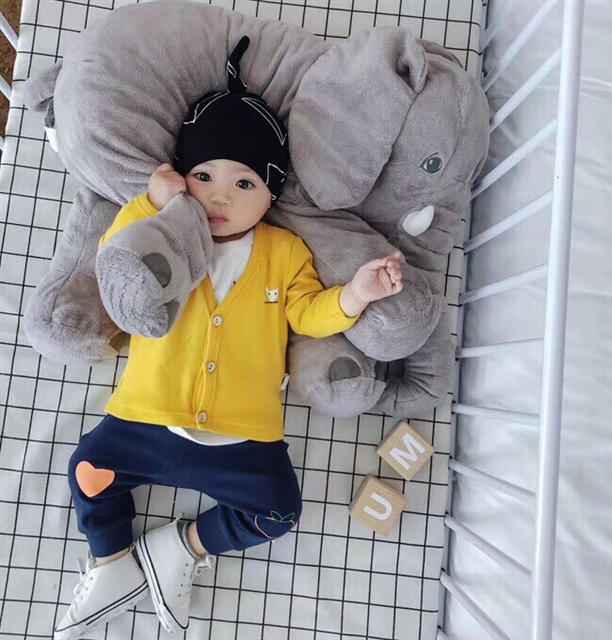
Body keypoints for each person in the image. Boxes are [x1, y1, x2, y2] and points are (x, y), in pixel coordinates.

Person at [54, 37, 403, 640]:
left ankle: (180, 547)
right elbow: (118, 260)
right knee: (87, 469)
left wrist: (356, 294)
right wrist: (152, 202)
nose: (219, 195)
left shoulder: (284, 251)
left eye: (245, 184)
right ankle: (111, 562)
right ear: (182, 178)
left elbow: (308, 314)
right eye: (204, 176)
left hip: (242, 436)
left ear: (271, 194)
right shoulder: (163, 227)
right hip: (146, 416)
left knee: (278, 512)